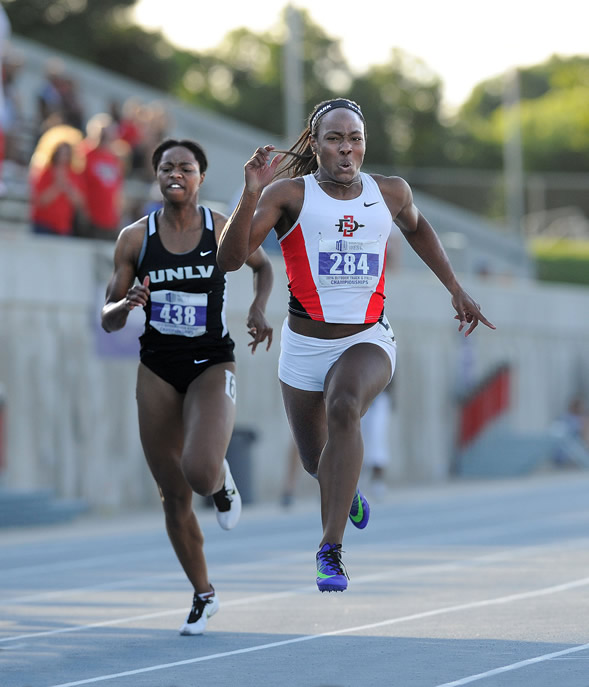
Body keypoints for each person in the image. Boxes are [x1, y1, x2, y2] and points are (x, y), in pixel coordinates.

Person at [217, 97, 495, 593]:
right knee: (314, 462)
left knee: (345, 406)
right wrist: (249, 192)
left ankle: (330, 550)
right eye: (335, 139)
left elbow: (418, 228)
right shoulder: (287, 195)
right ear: (317, 144)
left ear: (364, 144)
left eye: (355, 139)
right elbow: (230, 260)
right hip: (304, 346)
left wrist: (455, 287)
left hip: (369, 339)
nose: (347, 149)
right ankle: (347, 491)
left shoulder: (389, 191)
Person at [101, 138, 274, 634]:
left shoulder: (220, 227)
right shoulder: (135, 239)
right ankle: (204, 594)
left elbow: (264, 268)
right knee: (172, 496)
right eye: (166, 168)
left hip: (211, 364)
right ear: (157, 177)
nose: (176, 174)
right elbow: (107, 320)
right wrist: (127, 303)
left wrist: (259, 309)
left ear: (200, 176)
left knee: (198, 472)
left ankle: (219, 484)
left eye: (186, 167)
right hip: (157, 367)